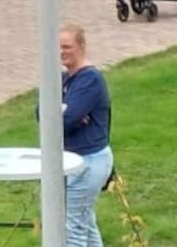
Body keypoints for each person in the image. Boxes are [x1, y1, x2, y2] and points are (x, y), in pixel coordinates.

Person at [58, 24, 113, 247]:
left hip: (88, 162)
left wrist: (64, 112)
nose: (62, 51)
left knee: (74, 232)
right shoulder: (63, 78)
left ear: (81, 46)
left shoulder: (90, 80)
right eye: (59, 47)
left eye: (67, 46)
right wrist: (65, 111)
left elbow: (66, 121)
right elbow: (42, 112)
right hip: (74, 161)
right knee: (85, 224)